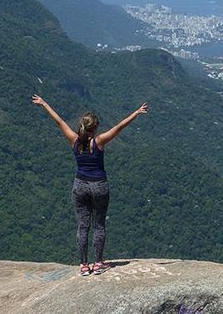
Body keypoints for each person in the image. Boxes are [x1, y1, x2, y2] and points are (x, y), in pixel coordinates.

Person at [32, 95, 148, 276]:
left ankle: (84, 265)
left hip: (80, 185)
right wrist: (137, 113)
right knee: (99, 225)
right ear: (95, 129)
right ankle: (98, 263)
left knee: (82, 226)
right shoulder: (99, 142)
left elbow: (59, 121)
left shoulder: (74, 140)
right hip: (99, 186)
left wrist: (44, 104)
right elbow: (119, 127)